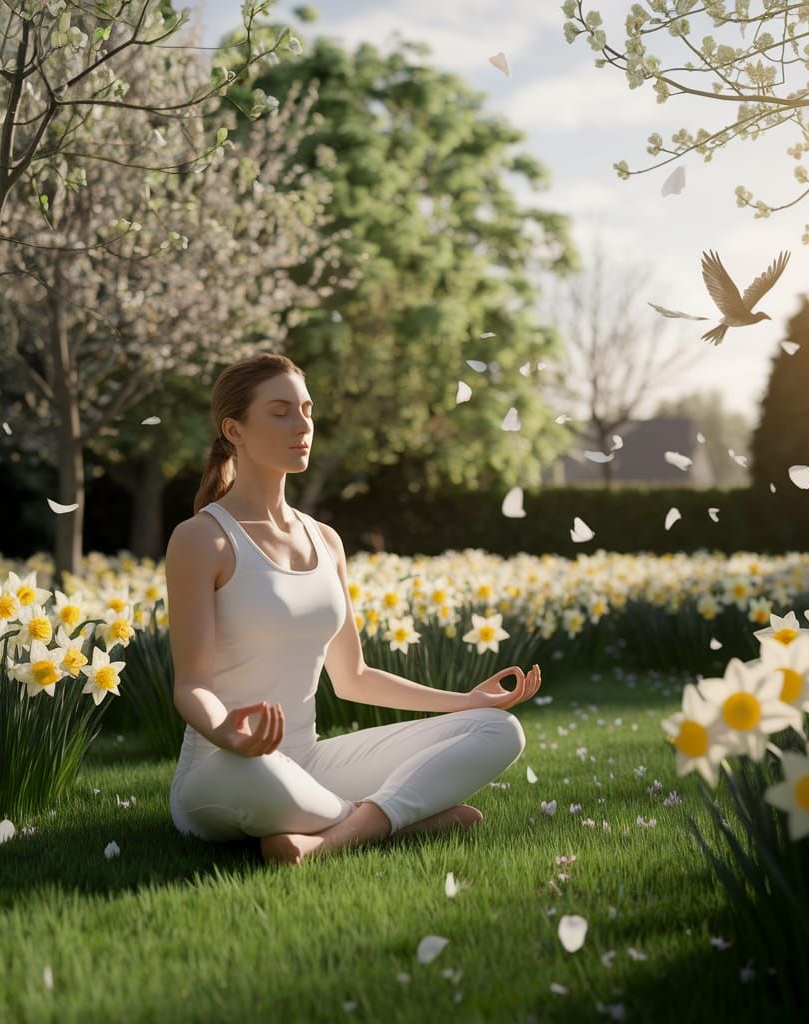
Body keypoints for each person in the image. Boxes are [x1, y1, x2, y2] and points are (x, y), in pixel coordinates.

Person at [165, 352, 541, 865]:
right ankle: (401, 818)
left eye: (307, 409)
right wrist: (226, 730)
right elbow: (192, 685)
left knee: (498, 731)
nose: (302, 425)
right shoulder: (201, 540)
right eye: (280, 411)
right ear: (235, 429)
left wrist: (465, 701)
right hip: (230, 767)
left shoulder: (325, 540)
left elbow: (355, 677)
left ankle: (332, 837)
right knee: (265, 777)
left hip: (311, 761)